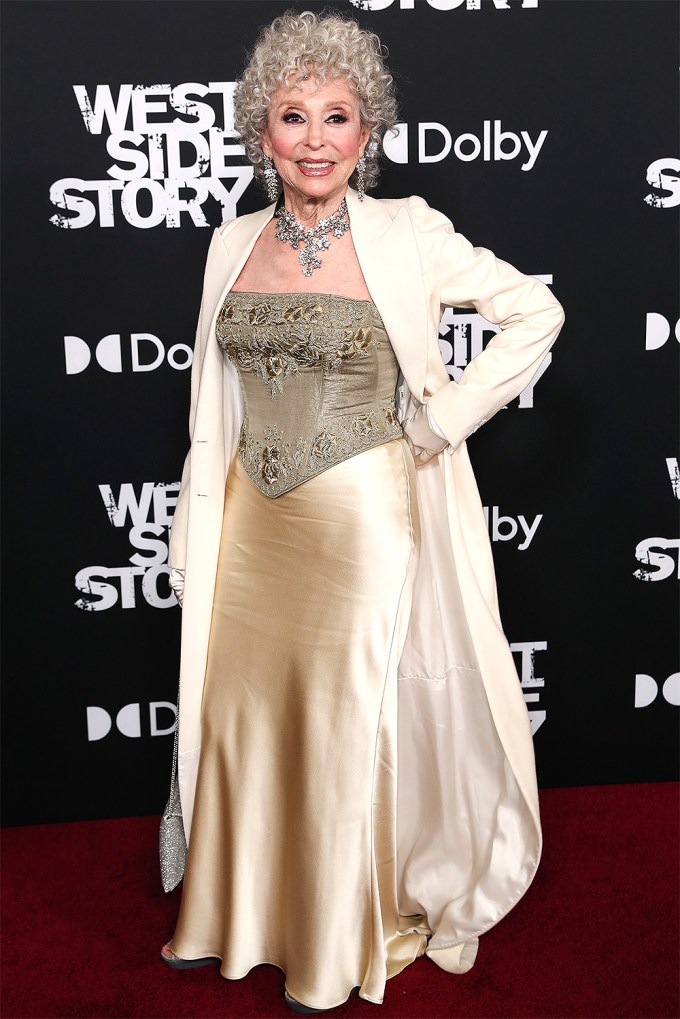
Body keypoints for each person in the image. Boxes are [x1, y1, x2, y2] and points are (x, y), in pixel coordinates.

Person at [158, 9, 564, 1014]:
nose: (314, 139)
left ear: (363, 132)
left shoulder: (406, 231)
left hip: (362, 520)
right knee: (244, 717)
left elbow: (533, 311)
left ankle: (336, 939)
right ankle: (229, 915)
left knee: (343, 722)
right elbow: (210, 410)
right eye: (292, 116)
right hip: (252, 521)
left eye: (335, 117)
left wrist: (440, 421)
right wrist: (188, 523)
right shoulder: (227, 244)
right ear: (262, 133)